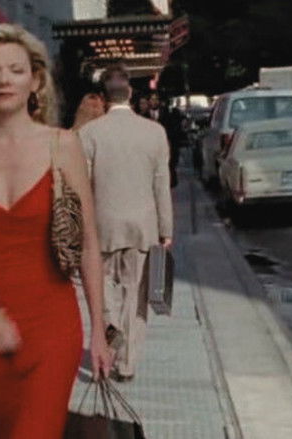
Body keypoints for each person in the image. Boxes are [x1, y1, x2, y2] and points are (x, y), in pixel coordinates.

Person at [0, 24, 112, 439]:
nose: (4, 80)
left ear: (35, 81)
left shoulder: (63, 145)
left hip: (52, 327)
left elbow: (88, 242)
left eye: (15, 70)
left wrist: (99, 331)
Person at [78, 64, 174, 382]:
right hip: (143, 227)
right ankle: (127, 363)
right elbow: (161, 185)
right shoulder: (154, 133)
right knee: (135, 294)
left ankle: (110, 335)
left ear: (104, 97)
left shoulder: (89, 134)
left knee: (103, 290)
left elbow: (82, 185)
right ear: (130, 92)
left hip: (102, 226)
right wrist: (166, 230)